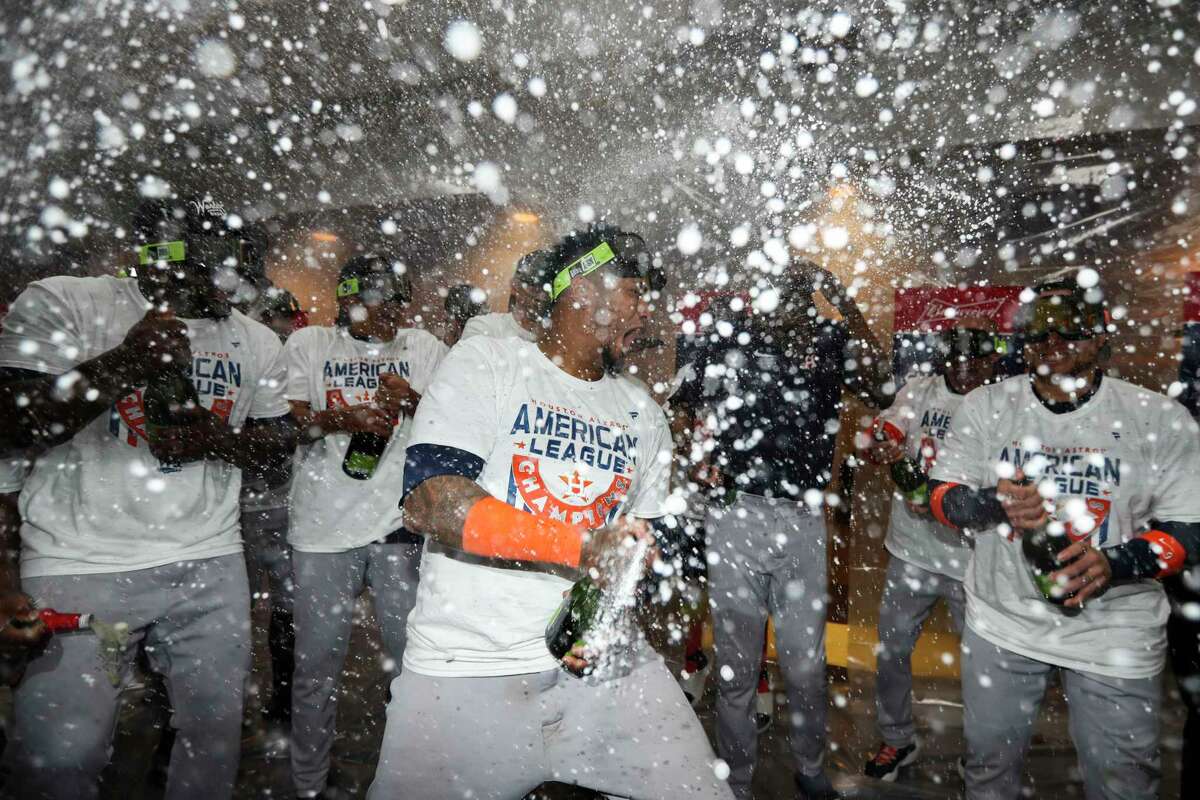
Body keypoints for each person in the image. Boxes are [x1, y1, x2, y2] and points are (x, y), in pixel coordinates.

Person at [367, 224, 734, 800]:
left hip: (598, 665)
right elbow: (431, 501)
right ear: (586, 289)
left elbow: (639, 544)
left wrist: (652, 556)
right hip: (466, 669)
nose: (646, 313)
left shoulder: (643, 414)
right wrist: (584, 549)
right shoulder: (489, 362)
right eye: (636, 294)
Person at [0, 195, 296, 800]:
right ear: (165, 259)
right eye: (220, 275)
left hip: (211, 559)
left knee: (211, 742)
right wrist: (122, 365)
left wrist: (221, 440)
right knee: (59, 758)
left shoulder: (255, 340)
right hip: (78, 561)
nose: (230, 295)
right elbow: (10, 422)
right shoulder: (68, 303)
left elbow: (277, 451)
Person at [927, 273, 1200, 800]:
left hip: (1115, 631)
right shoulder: (987, 407)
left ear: (1100, 336)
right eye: (1039, 333)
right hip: (1002, 620)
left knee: (1123, 783)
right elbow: (942, 497)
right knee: (987, 771)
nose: (1053, 345)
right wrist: (994, 503)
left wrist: (1117, 563)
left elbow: (1190, 528)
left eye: (1069, 331)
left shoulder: (1159, 419)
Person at [678, 263, 890, 800]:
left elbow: (883, 387)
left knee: (805, 667)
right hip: (736, 514)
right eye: (778, 299)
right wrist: (696, 453)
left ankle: (811, 770)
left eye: (800, 301)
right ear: (761, 299)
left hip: (800, 519)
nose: (787, 313)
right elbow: (682, 404)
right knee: (736, 669)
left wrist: (846, 304)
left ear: (811, 302)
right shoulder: (731, 335)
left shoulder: (829, 338)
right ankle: (738, 782)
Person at [285, 252, 447, 800]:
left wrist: (418, 404)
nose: (384, 316)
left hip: (397, 528)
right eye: (372, 302)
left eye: (395, 304)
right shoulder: (311, 346)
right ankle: (308, 782)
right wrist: (339, 419)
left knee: (413, 662)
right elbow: (285, 424)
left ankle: (411, 777)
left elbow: (456, 427)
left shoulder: (421, 349)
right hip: (321, 528)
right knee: (315, 666)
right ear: (345, 300)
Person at [859, 318, 1002, 781]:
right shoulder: (920, 391)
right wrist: (882, 441)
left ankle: (981, 752)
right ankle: (898, 738)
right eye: (955, 359)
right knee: (892, 651)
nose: (963, 369)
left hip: (973, 558)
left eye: (973, 359)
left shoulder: (1002, 404)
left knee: (983, 667)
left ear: (991, 360)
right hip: (912, 552)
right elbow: (891, 428)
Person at [459, 249, 551, 342]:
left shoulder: (556, 340)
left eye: (550, 291)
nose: (542, 297)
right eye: (535, 288)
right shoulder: (483, 327)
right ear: (515, 286)